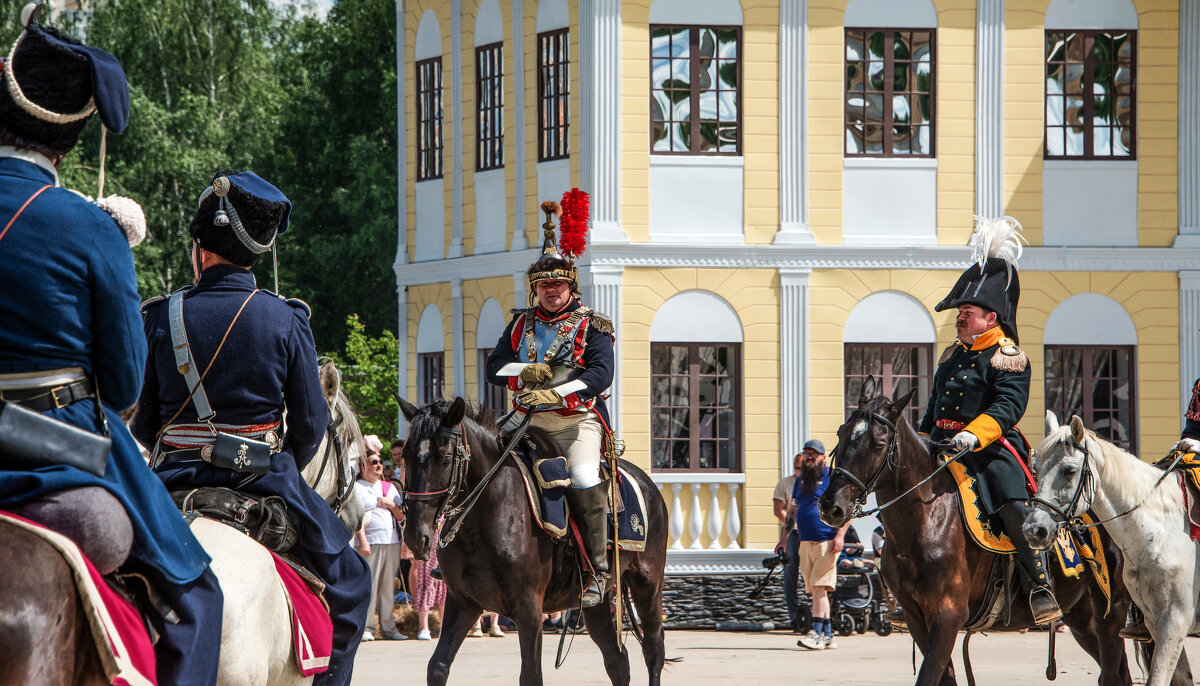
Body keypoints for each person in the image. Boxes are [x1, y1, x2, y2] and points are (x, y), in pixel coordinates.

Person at [0, 11, 221, 685]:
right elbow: (125, 385)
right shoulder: (89, 229)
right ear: (69, 138)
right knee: (198, 596)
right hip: (54, 449)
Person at [131, 170, 371, 686]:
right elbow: (309, 429)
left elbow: (147, 422)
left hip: (171, 481)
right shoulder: (284, 319)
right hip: (260, 478)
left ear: (200, 249)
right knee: (353, 583)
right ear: (255, 251)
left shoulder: (160, 316)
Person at [917, 216, 1060, 625]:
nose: (960, 318)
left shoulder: (1008, 355)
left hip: (990, 449)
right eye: (960, 311)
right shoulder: (953, 356)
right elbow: (933, 409)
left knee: (1014, 504)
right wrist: (924, 439)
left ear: (991, 318)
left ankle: (1039, 584)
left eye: (967, 311)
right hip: (941, 448)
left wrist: (970, 436)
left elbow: (1006, 409)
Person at [485, 195, 616, 607]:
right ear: (535, 288)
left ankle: (598, 570)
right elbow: (494, 366)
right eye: (543, 286)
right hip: (525, 419)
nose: (550, 291)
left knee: (582, 479)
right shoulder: (520, 323)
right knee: (476, 466)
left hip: (575, 421)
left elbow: (600, 374)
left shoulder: (593, 325)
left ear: (570, 285)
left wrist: (555, 391)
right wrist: (522, 373)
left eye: (557, 285)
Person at [793, 439, 850, 651]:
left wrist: (840, 536)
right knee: (818, 591)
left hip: (827, 542)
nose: (809, 457)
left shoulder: (833, 478)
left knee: (818, 588)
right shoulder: (801, 480)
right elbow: (794, 508)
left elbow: (847, 510)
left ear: (823, 457)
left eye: (814, 454)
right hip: (805, 543)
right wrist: (784, 537)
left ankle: (815, 633)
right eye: (806, 453)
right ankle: (828, 635)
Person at [355, 435, 406, 641]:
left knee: (387, 588)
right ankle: (367, 628)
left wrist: (391, 505)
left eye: (379, 462)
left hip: (392, 541)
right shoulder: (357, 487)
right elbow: (357, 517)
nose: (378, 465)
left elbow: (401, 514)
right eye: (373, 462)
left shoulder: (389, 487)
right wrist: (363, 541)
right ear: (362, 466)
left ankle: (389, 628)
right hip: (370, 543)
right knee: (371, 587)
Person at [772, 452, 802, 632]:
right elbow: (778, 510)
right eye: (797, 468)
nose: (800, 471)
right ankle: (795, 618)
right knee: (790, 576)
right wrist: (792, 525)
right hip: (792, 534)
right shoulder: (785, 484)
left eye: (803, 468)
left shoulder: (815, 484)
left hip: (812, 535)